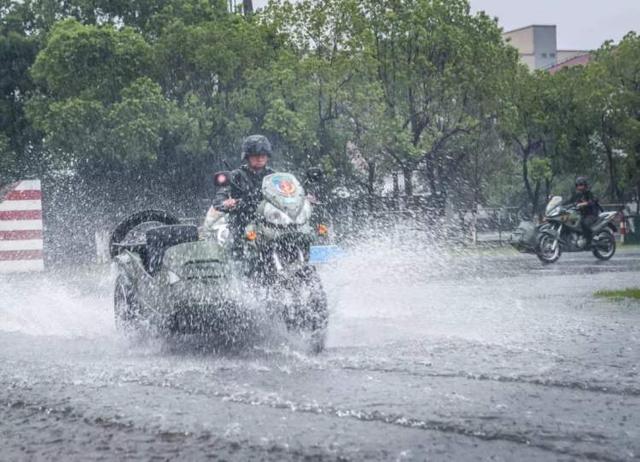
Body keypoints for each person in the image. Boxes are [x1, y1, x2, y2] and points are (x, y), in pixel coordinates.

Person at [213, 134, 275, 255]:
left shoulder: (273, 176)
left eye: (263, 155)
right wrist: (225, 202)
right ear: (247, 156)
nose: (260, 158)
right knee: (237, 247)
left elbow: (285, 191)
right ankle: (237, 269)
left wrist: (301, 198)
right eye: (256, 155)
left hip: (270, 223)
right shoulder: (236, 175)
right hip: (243, 222)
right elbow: (220, 197)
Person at [563, 176, 600, 248]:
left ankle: (590, 240)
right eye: (578, 185)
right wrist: (560, 204)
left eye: (581, 185)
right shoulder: (577, 195)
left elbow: (594, 200)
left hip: (591, 214)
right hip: (581, 214)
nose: (579, 187)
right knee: (566, 219)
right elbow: (569, 200)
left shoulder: (589, 193)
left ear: (585, 185)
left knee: (584, 223)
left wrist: (585, 203)